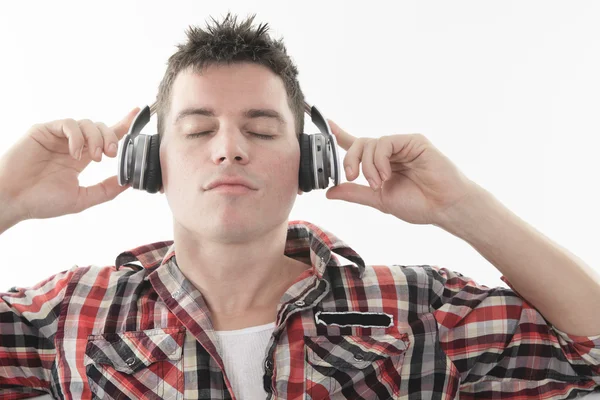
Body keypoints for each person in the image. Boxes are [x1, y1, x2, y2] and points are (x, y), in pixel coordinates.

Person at [0, 12, 599, 400]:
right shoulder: (72, 311)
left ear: (310, 161)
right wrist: (7, 197)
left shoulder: (418, 308)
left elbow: (588, 353)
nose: (229, 149)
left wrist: (461, 206)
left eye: (260, 130)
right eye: (198, 129)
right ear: (148, 162)